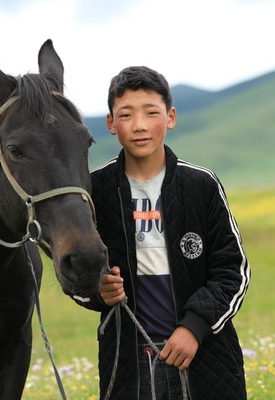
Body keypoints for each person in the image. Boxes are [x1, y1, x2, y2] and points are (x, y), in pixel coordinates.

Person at [75, 66, 250, 399]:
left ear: (170, 117)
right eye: (126, 115)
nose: (139, 125)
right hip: (127, 360)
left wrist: (194, 327)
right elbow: (77, 268)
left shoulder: (200, 186)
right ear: (112, 124)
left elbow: (234, 271)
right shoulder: (94, 191)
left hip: (203, 354)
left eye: (151, 112)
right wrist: (98, 291)